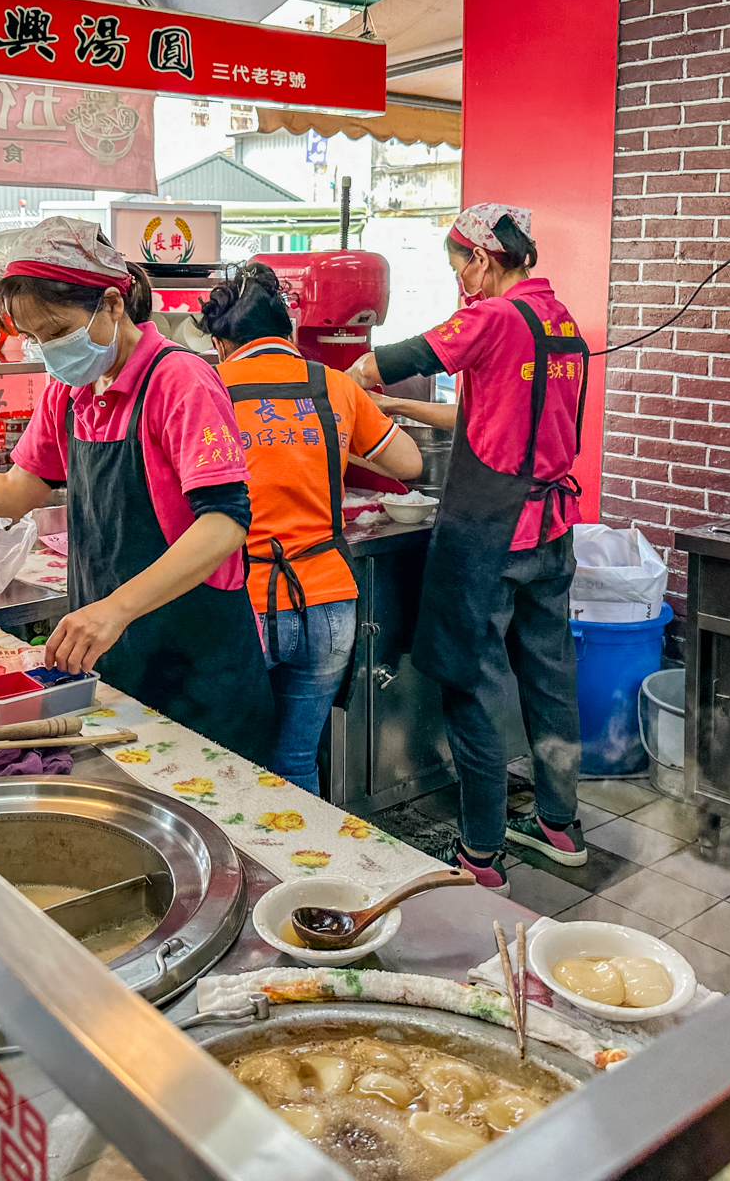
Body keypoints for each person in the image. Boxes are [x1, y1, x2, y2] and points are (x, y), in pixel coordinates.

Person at [0, 218, 277, 763]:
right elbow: (14, 492)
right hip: (115, 648)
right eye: (36, 339)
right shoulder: (72, 389)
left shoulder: (180, 380)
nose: (49, 352)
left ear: (111, 304)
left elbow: (224, 523)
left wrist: (115, 609)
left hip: (197, 654)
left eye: (57, 332)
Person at [348, 203, 590, 895]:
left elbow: (377, 364)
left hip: (490, 532)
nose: (461, 283)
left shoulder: (491, 317)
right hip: (552, 530)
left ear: (482, 259)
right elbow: (485, 412)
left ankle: (480, 855)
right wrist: (405, 414)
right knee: (549, 677)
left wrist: (343, 393)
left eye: (459, 268)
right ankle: (558, 824)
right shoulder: (559, 321)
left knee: (473, 686)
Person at [203, 263, 422, 793]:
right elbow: (410, 463)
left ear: (221, 343)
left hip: (243, 600)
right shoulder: (334, 387)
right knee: (296, 757)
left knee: (231, 758)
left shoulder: (209, 387)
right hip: (327, 599)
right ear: (292, 332)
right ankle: (305, 868)